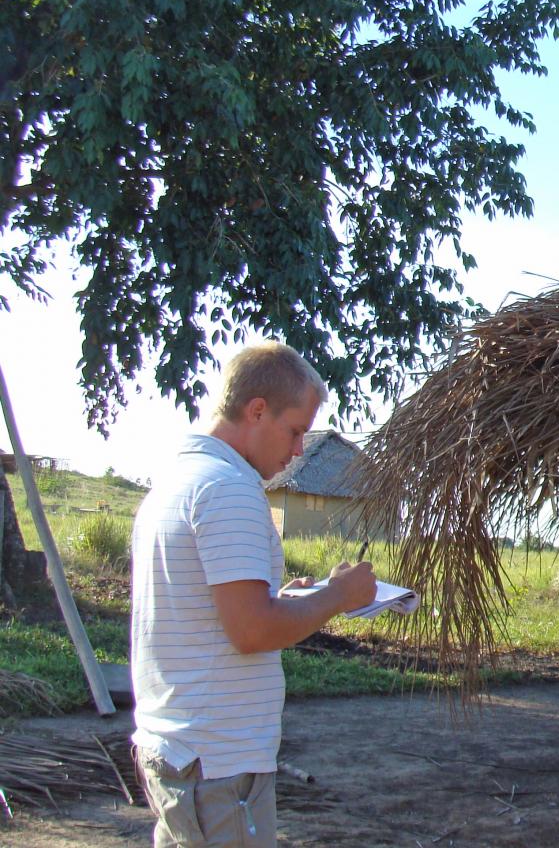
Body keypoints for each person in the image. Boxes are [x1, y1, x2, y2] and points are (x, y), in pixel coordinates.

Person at [130, 342, 377, 847]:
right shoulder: (229, 489)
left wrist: (283, 599)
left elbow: (211, 612)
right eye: (294, 430)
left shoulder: (180, 478)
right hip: (218, 764)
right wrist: (340, 595)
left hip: (180, 752)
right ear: (256, 410)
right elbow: (252, 630)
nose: (298, 450)